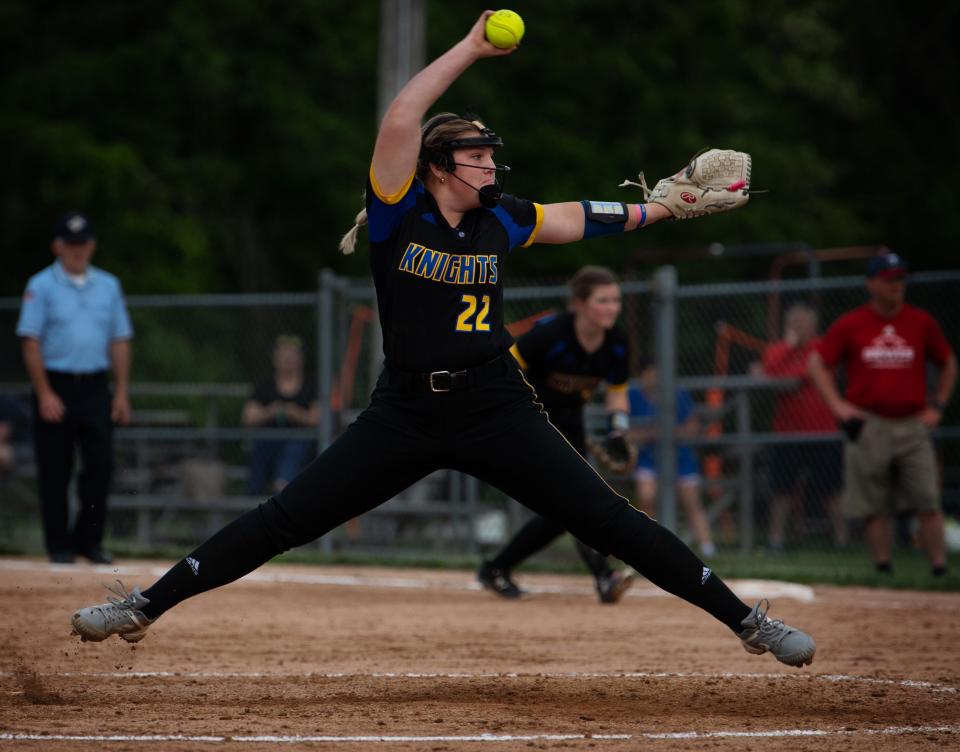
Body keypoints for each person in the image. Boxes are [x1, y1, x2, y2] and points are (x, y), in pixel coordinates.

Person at [71, 12, 815, 668]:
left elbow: (581, 217)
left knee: (609, 518)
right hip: (405, 412)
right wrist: (468, 45)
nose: (490, 166)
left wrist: (665, 209)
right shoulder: (398, 213)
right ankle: (141, 606)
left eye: (493, 156)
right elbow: (402, 115)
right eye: (476, 157)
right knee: (285, 518)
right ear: (435, 169)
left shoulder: (503, 216)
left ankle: (748, 623)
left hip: (496, 403)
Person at [476, 266, 636, 603]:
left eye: (615, 300)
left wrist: (619, 428)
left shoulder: (616, 342)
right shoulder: (550, 334)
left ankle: (497, 568)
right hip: (529, 423)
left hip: (570, 423)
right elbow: (507, 368)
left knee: (565, 509)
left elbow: (617, 390)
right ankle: (604, 576)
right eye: (602, 300)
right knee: (572, 503)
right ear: (579, 303)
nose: (612, 308)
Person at [807, 253, 956, 576]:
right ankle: (883, 568)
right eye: (889, 280)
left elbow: (948, 362)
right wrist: (838, 406)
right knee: (873, 504)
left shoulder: (920, 321)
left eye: (900, 279)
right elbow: (816, 363)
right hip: (869, 422)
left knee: (928, 500)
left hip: (913, 423)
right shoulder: (852, 323)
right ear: (871, 284)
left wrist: (938, 406)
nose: (897, 286)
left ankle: (939, 569)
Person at [16, 212, 133, 564]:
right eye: (70, 244)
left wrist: (122, 391)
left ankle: (90, 540)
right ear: (58, 246)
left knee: (101, 465)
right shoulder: (41, 285)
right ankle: (59, 544)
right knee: (55, 468)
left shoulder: (109, 286)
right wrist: (45, 392)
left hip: (96, 385)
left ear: (92, 245)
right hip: (56, 384)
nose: (77, 251)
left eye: (83, 244)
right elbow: (30, 342)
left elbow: (120, 339)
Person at [761, 303, 846, 551]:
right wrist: (788, 349)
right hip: (786, 433)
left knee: (831, 488)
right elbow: (770, 373)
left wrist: (790, 375)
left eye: (803, 322)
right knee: (782, 489)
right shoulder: (778, 350)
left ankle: (841, 539)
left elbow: (809, 373)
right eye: (794, 322)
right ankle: (775, 540)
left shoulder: (822, 348)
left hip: (823, 430)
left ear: (814, 326)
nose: (798, 327)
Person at [629, 362, 715, 558]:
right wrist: (652, 433)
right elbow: (627, 433)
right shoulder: (633, 395)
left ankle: (708, 549)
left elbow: (692, 428)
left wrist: (667, 433)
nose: (655, 379)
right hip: (648, 458)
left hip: (680, 457)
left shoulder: (677, 393)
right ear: (642, 376)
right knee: (646, 494)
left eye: (658, 374)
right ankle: (651, 543)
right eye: (650, 374)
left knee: (691, 500)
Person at [242, 335, 320, 495]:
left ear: (301, 359)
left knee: (293, 452)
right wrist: (271, 411)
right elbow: (248, 417)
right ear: (275, 359)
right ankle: (250, 501)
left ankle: (282, 492)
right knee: (258, 452)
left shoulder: (311, 385)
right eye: (284, 355)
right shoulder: (265, 386)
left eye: (292, 355)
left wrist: (294, 413)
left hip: (300, 442)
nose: (288, 359)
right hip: (269, 441)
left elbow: (316, 418)